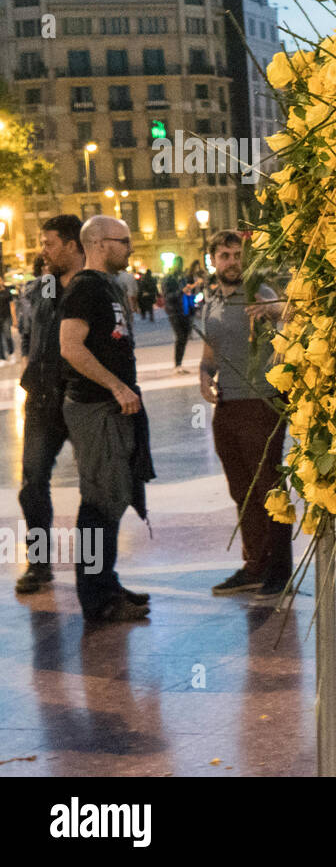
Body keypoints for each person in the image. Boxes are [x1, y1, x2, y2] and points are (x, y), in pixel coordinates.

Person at [58, 215, 155, 623]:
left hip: (112, 409)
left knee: (111, 498)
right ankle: (97, 598)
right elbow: (70, 346)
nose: (130, 247)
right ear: (98, 243)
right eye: (123, 240)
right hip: (95, 409)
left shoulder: (106, 287)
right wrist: (115, 386)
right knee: (99, 502)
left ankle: (106, 583)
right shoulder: (84, 289)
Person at [199, 231, 292, 597]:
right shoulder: (210, 306)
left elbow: (289, 310)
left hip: (263, 401)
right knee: (241, 488)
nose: (233, 261)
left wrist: (271, 311)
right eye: (225, 255)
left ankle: (279, 570)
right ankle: (256, 564)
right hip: (228, 405)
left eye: (238, 254)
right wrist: (203, 377)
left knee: (268, 484)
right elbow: (209, 355)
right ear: (213, 261)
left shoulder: (259, 291)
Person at [14, 217, 84, 595]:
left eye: (49, 243)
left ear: (72, 244)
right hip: (41, 400)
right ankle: (39, 564)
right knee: (32, 482)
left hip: (81, 396)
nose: (42, 250)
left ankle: (96, 572)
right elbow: (28, 336)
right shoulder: (34, 290)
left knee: (96, 484)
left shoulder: (91, 288)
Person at [160, 258, 192, 373]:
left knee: (184, 337)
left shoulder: (182, 278)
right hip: (174, 311)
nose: (180, 267)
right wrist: (181, 291)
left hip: (185, 310)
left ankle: (179, 364)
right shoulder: (169, 279)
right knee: (181, 337)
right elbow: (167, 296)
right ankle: (177, 365)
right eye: (178, 264)